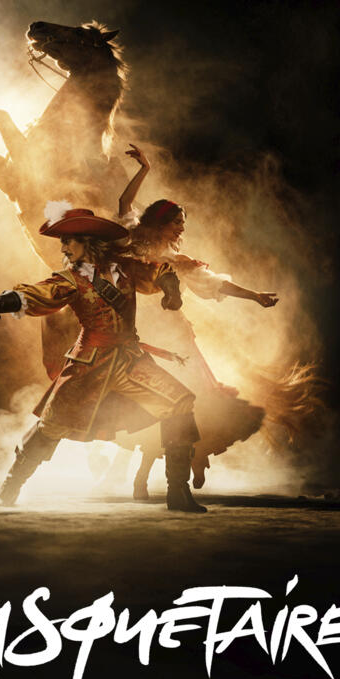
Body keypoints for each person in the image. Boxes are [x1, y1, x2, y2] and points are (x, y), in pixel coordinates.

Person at [0, 202, 207, 513]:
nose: (64, 248)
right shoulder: (69, 280)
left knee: (179, 402)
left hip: (129, 360)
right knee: (51, 427)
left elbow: (159, 270)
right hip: (88, 365)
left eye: (68, 241)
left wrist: (170, 288)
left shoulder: (126, 268)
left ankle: (178, 492)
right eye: (63, 242)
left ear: (88, 242)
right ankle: (10, 488)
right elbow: (34, 294)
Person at [115, 145, 279, 498]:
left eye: (183, 224)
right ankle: (147, 477)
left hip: (175, 339)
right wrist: (145, 169)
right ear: (161, 223)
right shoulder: (133, 239)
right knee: (150, 405)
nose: (181, 229)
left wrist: (255, 296)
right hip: (141, 333)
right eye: (177, 222)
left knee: (185, 404)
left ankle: (184, 468)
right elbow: (125, 203)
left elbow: (216, 284)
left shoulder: (179, 260)